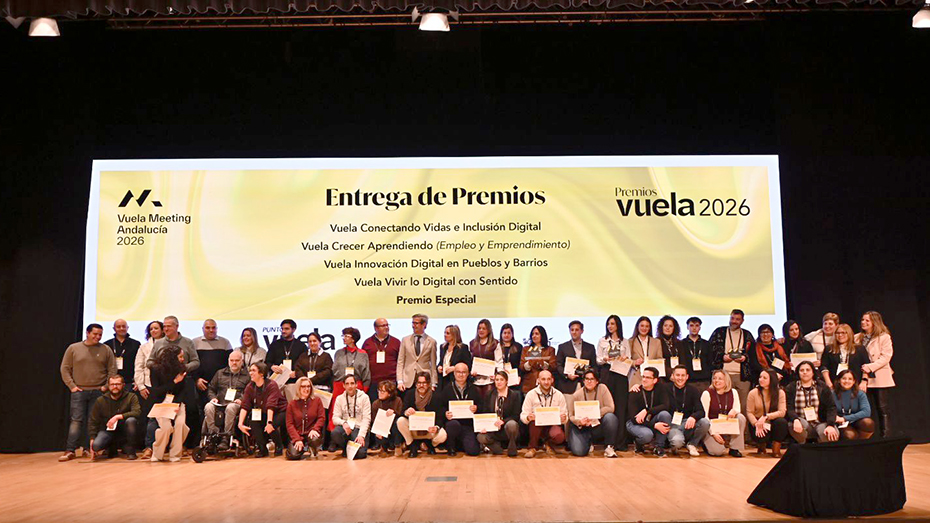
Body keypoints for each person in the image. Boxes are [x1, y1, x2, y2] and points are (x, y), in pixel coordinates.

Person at [59, 323, 116, 462]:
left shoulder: (106, 349)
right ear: (87, 333)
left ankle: (88, 449)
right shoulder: (74, 348)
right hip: (79, 390)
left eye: (100, 334)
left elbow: (112, 370)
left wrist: (106, 387)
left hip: (98, 391)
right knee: (76, 421)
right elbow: (65, 368)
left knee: (93, 422)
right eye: (95, 334)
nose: (98, 337)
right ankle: (70, 450)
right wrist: (72, 386)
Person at [709, 309, 755, 418]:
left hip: (742, 376)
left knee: (743, 407)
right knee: (721, 406)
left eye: (737, 319)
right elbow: (710, 350)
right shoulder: (719, 332)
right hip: (723, 375)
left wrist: (745, 357)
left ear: (742, 321)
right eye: (732, 318)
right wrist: (722, 357)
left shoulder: (747, 334)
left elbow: (753, 354)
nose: (734, 321)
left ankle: (743, 433)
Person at [856, 310, 894, 438]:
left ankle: (885, 436)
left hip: (879, 376)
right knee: (864, 409)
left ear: (875, 322)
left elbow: (886, 357)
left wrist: (869, 367)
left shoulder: (884, 337)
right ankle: (866, 436)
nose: (864, 322)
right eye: (862, 320)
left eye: (867, 320)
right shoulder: (857, 337)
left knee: (882, 408)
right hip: (862, 378)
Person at [149, 346, 191, 462]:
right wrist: (174, 382)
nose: (183, 359)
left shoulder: (182, 369)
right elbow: (157, 391)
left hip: (177, 402)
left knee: (180, 425)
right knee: (166, 428)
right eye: (180, 356)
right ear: (173, 358)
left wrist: (177, 405)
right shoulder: (155, 369)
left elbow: (183, 390)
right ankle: (157, 454)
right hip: (161, 402)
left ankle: (175, 454)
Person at [238, 361, 287, 457]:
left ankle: (279, 445)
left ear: (261, 373)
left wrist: (269, 423)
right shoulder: (250, 387)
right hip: (263, 411)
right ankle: (262, 448)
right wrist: (240, 423)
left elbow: (271, 405)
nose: (251, 373)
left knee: (271, 424)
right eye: (250, 370)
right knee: (253, 420)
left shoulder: (271, 385)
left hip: (280, 411)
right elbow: (245, 405)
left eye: (253, 371)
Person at [568, 369, 620, 458]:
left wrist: (595, 414)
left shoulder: (602, 388)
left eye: (592, 379)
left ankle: (609, 447)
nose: (589, 381)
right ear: (583, 381)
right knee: (579, 452)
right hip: (583, 426)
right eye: (587, 379)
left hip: (598, 424)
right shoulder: (577, 394)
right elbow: (570, 415)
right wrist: (580, 422)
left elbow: (611, 407)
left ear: (597, 381)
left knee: (610, 417)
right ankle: (587, 443)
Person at [203, 350, 250, 448]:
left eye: (237, 360)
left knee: (231, 407)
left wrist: (241, 399)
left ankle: (227, 437)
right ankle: (213, 434)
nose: (234, 363)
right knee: (208, 406)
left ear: (242, 361)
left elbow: (249, 392)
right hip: (220, 402)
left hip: (236, 403)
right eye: (232, 360)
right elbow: (211, 388)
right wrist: (213, 398)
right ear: (228, 361)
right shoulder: (220, 373)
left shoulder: (247, 375)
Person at [88, 375, 141, 460]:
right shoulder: (101, 400)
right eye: (112, 384)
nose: (115, 387)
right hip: (108, 431)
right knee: (96, 446)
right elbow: (93, 421)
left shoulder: (131, 397)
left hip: (125, 432)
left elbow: (137, 412)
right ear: (108, 386)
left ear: (123, 385)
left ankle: (131, 451)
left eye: (118, 384)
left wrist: (118, 417)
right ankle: (110, 447)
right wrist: (92, 438)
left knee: (131, 420)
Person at [785, 361, 839, 444]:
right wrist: (795, 419)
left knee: (831, 435)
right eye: (802, 370)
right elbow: (789, 407)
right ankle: (803, 448)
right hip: (801, 422)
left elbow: (831, 407)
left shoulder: (822, 386)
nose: (805, 372)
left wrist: (830, 425)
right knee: (792, 425)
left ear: (813, 372)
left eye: (808, 370)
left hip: (820, 422)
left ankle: (822, 452)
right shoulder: (791, 387)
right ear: (798, 373)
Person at [596, 315, 630, 448]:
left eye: (613, 324)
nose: (610, 326)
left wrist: (624, 358)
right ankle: (608, 441)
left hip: (621, 374)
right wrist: (605, 358)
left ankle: (620, 442)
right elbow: (598, 360)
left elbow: (630, 358)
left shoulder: (625, 341)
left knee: (621, 408)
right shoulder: (602, 341)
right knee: (609, 407)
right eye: (608, 324)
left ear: (618, 326)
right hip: (607, 373)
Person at [396, 371, 448, 458]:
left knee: (442, 435)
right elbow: (402, 412)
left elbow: (440, 416)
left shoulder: (436, 396)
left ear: (429, 384)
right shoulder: (410, 394)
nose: (421, 385)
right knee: (400, 421)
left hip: (429, 430)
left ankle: (430, 445)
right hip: (414, 429)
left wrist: (436, 427)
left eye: (424, 383)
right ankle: (412, 446)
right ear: (416, 384)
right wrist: (406, 412)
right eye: (419, 383)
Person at [329, 327, 371, 434]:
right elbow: (334, 370)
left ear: (353, 339)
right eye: (343, 336)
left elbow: (366, 373)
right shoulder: (338, 353)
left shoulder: (362, 354)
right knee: (337, 412)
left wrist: (364, 389)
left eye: (347, 336)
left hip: (356, 385)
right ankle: (335, 438)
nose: (344, 338)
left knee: (356, 412)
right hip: (339, 385)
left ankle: (357, 435)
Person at [520, 369, 568, 458]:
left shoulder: (559, 395)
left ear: (552, 380)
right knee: (534, 422)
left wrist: (563, 419)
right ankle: (532, 448)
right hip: (536, 426)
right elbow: (523, 415)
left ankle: (548, 444)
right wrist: (528, 417)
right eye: (543, 379)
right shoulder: (531, 394)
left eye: (548, 379)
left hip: (552, 425)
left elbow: (565, 414)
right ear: (538, 380)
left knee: (559, 436)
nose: (546, 382)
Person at [626, 367, 671, 457]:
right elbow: (634, 419)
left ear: (655, 380)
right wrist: (654, 425)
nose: (644, 380)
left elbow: (666, 406)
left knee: (665, 415)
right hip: (635, 423)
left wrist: (647, 411)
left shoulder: (660, 389)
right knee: (647, 435)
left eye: (648, 377)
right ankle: (638, 443)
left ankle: (659, 447)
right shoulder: (635, 392)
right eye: (643, 377)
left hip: (651, 419)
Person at [135, 320, 164, 459]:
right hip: (148, 385)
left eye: (156, 328)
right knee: (152, 417)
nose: (153, 331)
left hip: (166, 385)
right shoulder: (144, 347)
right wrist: (140, 386)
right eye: (151, 329)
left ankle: (167, 446)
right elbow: (139, 367)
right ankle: (149, 446)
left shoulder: (168, 345)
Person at [666, 365, 710, 457]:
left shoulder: (693, 390)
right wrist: (636, 386)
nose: (680, 378)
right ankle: (674, 446)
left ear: (687, 377)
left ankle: (692, 444)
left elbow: (701, 411)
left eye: (683, 375)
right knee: (677, 442)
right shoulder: (665, 388)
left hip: (687, 424)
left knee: (705, 422)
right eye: (677, 375)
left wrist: (693, 417)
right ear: (673, 376)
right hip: (672, 424)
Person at [700, 369, 746, 457]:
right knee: (717, 452)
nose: (716, 381)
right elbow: (704, 417)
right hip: (712, 427)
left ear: (726, 380)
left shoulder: (733, 392)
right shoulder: (707, 393)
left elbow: (737, 408)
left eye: (720, 378)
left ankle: (734, 448)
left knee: (740, 417)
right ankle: (705, 443)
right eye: (714, 378)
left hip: (726, 424)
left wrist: (734, 411)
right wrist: (713, 432)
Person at [439, 362, 481, 456]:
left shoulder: (473, 389)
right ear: (454, 373)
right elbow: (441, 407)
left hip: (468, 425)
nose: (461, 375)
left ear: (467, 374)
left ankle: (461, 444)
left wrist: (476, 408)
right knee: (453, 425)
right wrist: (445, 413)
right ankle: (451, 446)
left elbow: (482, 406)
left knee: (473, 451)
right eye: (458, 372)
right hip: (453, 423)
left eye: (463, 372)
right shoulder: (447, 389)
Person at [477, 370, 522, 457]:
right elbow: (485, 413)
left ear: (506, 382)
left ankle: (512, 446)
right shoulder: (489, 394)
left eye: (502, 380)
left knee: (512, 424)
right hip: (493, 427)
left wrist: (503, 421)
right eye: (497, 380)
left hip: (506, 427)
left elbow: (516, 415)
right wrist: (485, 426)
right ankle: (497, 448)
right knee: (480, 437)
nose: (499, 382)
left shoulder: (514, 395)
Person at [746, 369, 788, 457]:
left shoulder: (780, 393)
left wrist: (766, 417)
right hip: (758, 422)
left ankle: (776, 448)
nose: (761, 379)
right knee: (759, 430)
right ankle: (761, 447)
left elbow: (782, 412)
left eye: (765, 378)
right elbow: (749, 412)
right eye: (760, 377)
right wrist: (756, 423)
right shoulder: (753, 393)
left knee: (782, 422)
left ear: (772, 379)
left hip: (773, 421)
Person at [330, 374, 371, 459]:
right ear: (343, 385)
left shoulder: (364, 398)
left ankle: (351, 449)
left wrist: (361, 435)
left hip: (359, 428)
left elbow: (366, 419)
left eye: (352, 383)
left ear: (356, 385)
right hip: (347, 428)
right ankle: (346, 448)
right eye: (347, 384)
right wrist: (344, 423)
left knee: (361, 454)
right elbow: (335, 418)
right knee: (335, 433)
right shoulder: (339, 398)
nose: (350, 386)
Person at [362, 318, 401, 405]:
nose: (386, 327)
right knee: (374, 408)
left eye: (387, 325)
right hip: (373, 383)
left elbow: (401, 362)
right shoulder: (368, 342)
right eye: (383, 326)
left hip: (391, 382)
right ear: (376, 328)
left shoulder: (396, 342)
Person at [192, 319, 233, 402]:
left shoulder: (225, 342)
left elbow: (231, 363)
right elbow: (192, 363)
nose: (211, 330)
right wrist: (196, 379)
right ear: (202, 329)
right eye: (208, 328)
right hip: (202, 383)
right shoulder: (194, 343)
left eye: (213, 328)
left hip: (221, 384)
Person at [266, 319, 308, 400]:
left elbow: (305, 365)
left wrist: (297, 373)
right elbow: (267, 362)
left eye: (286, 329)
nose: (283, 331)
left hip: (293, 382)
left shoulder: (301, 346)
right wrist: (272, 367)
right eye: (282, 329)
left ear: (294, 329)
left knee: (293, 407)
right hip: (277, 382)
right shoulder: (274, 345)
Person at [285, 377, 325, 460]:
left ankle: (313, 448)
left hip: (312, 433)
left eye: (308, 386)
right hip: (298, 434)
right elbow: (289, 424)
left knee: (315, 439)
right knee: (293, 456)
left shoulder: (317, 401)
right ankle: (302, 448)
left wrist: (315, 429)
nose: (306, 389)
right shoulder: (292, 404)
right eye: (303, 387)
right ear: (298, 388)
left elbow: (321, 417)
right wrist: (297, 439)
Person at [397, 313, 438, 392]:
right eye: (412, 323)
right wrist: (400, 380)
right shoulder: (405, 340)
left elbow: (433, 364)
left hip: (424, 381)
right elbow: (400, 361)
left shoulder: (432, 341)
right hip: (407, 381)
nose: (413, 325)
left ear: (424, 325)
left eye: (416, 323)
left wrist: (433, 383)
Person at [821, 323, 869, 387]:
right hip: (834, 384)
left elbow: (866, 366)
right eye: (838, 333)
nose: (840, 335)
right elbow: (824, 366)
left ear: (849, 334)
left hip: (856, 384)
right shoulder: (829, 349)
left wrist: (864, 382)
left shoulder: (860, 349)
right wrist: (828, 383)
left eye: (843, 333)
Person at [555, 320, 597, 394]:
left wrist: (589, 375)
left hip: (586, 385)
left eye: (577, 330)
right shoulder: (563, 347)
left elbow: (594, 365)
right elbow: (558, 365)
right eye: (572, 330)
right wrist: (567, 375)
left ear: (582, 331)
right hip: (567, 385)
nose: (574, 332)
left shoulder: (590, 347)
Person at [832, 369, 874, 440]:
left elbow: (866, 412)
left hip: (855, 420)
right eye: (844, 378)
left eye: (850, 379)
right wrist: (837, 418)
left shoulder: (860, 393)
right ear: (839, 380)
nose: (847, 381)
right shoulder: (832, 394)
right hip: (840, 423)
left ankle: (862, 444)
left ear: (854, 381)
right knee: (850, 435)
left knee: (868, 423)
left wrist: (845, 418)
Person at [103, 318, 140, 389]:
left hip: (130, 381)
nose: (121, 328)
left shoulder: (136, 344)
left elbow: (138, 364)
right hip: (112, 382)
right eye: (118, 327)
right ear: (114, 328)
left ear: (127, 328)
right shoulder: (107, 344)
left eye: (124, 326)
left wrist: (137, 380)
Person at [469, 319, 502, 399]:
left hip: (489, 380)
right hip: (476, 380)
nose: (481, 330)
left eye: (484, 328)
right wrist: (471, 372)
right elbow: (470, 361)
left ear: (489, 330)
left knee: (488, 404)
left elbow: (499, 361)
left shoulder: (495, 343)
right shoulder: (472, 343)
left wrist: (497, 375)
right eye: (479, 328)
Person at [519, 325, 557, 394]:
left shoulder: (550, 350)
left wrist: (543, 363)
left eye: (537, 334)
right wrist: (529, 363)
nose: (534, 336)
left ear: (542, 335)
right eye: (532, 334)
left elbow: (553, 366)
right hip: (529, 385)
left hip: (546, 385)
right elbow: (522, 366)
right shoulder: (526, 349)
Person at [369, 380, 403, 454]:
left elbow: (401, 414)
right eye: (379, 391)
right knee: (378, 434)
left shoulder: (397, 401)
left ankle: (398, 445)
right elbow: (374, 419)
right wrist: (377, 431)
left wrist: (394, 412)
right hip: (382, 428)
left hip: (394, 427)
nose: (380, 393)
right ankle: (383, 447)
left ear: (389, 393)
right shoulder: (376, 404)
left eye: (383, 391)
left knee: (397, 423)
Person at [629, 316, 660, 390]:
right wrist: (634, 362)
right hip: (636, 376)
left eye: (647, 326)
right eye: (642, 326)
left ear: (650, 328)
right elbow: (626, 360)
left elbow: (659, 359)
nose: (644, 328)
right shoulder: (630, 341)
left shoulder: (657, 342)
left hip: (651, 378)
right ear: (637, 327)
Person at [682, 317, 713, 392]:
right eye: (691, 325)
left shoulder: (706, 344)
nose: (694, 328)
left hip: (704, 381)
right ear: (687, 327)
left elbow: (710, 362)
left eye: (697, 325)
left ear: (700, 328)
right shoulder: (681, 343)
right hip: (688, 381)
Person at [437, 325, 472, 390]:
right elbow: (442, 362)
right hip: (443, 380)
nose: (445, 335)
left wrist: (455, 368)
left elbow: (468, 365)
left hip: (456, 380)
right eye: (444, 333)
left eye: (448, 333)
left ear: (454, 335)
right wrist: (439, 367)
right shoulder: (443, 347)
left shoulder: (462, 348)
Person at [656, 315, 687, 381]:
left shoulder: (679, 343)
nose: (668, 328)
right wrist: (670, 374)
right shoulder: (656, 342)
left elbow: (683, 360)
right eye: (665, 325)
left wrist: (679, 374)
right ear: (661, 327)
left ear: (674, 328)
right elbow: (658, 361)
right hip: (662, 377)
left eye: (670, 326)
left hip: (679, 377)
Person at [499, 323, 523, 392]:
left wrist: (520, 376)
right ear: (501, 334)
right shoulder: (497, 346)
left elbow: (520, 363)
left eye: (509, 333)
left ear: (512, 334)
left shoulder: (518, 347)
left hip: (514, 379)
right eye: (505, 333)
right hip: (500, 379)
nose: (506, 335)